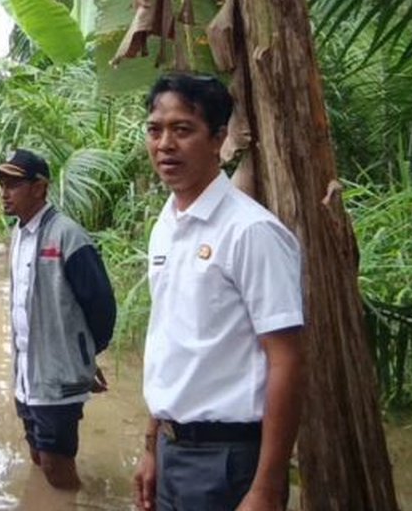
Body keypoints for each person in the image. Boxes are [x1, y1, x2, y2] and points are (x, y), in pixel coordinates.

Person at [133, 74, 306, 511]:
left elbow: (287, 359)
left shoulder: (251, 232)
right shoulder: (166, 224)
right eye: (155, 130)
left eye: (182, 129)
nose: (165, 144)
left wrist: (266, 486)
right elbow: (169, 344)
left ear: (219, 139)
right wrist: (152, 446)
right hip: (173, 451)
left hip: (228, 459)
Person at [0, 149, 117, 490]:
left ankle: (76, 502)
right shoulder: (19, 235)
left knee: (57, 468)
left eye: (12, 184)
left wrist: (82, 357)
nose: (4, 192)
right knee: (38, 458)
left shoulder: (67, 235)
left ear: (39, 188)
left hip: (57, 379)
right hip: (27, 374)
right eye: (2, 184)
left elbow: (102, 306)